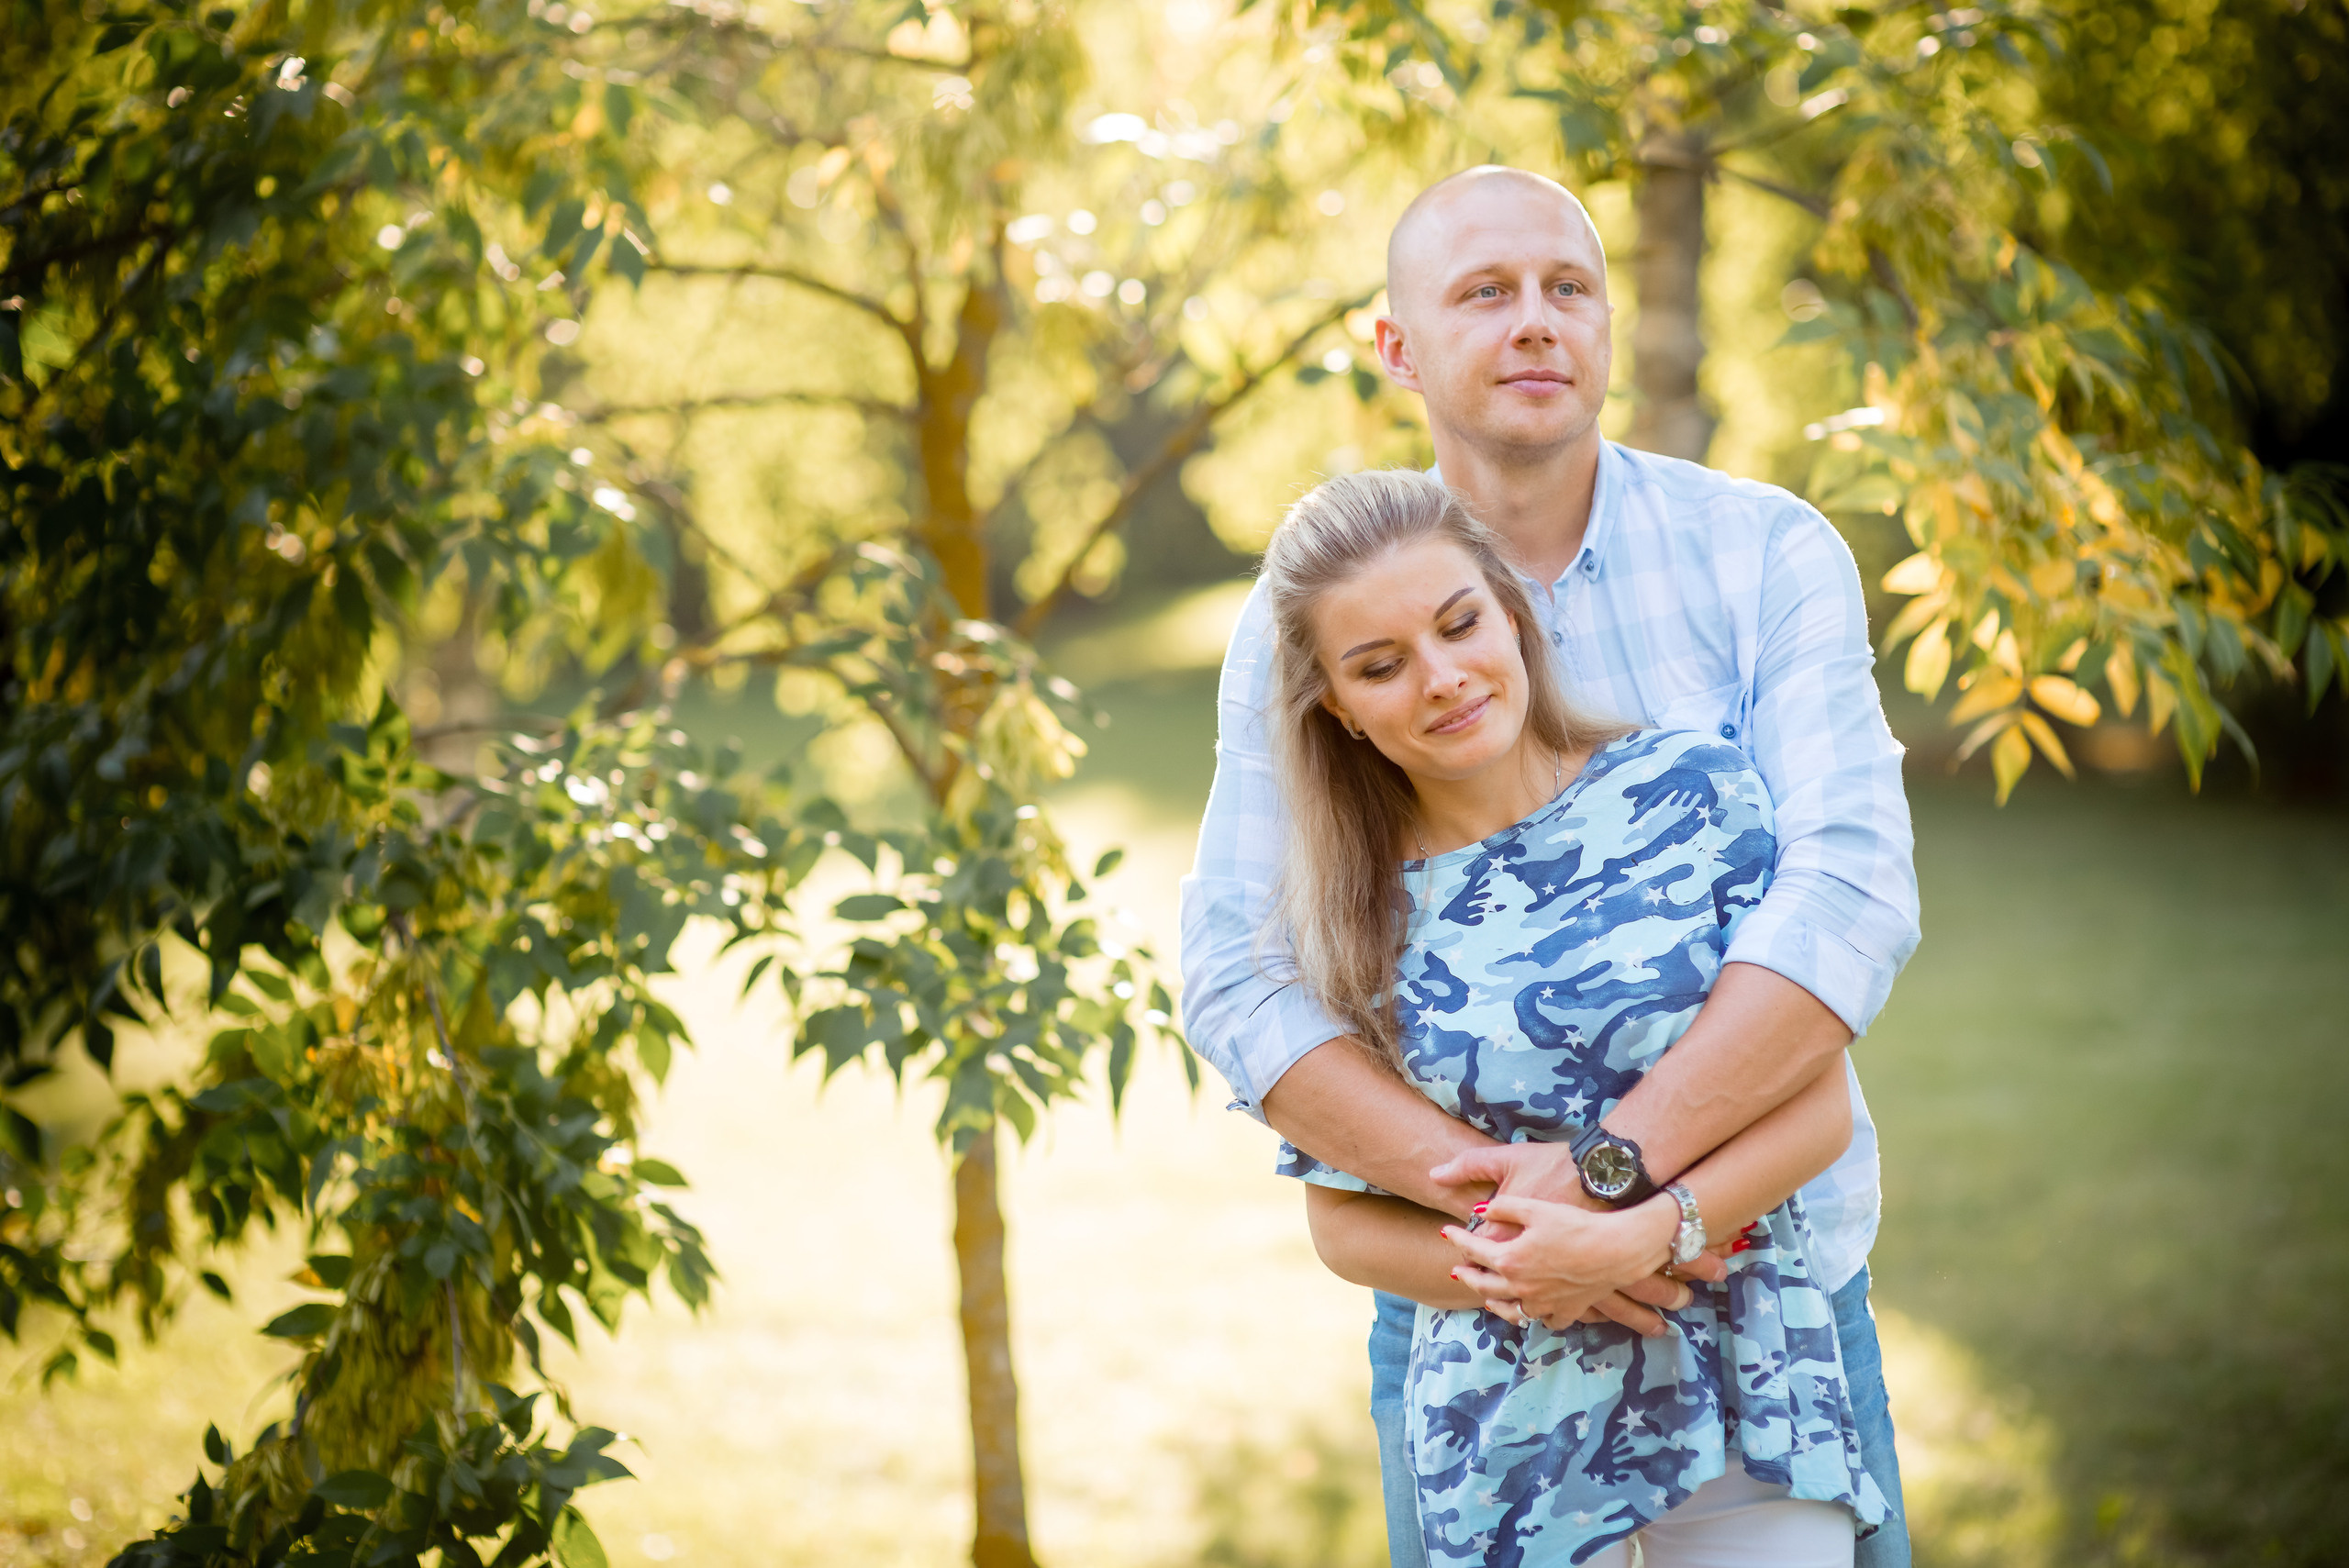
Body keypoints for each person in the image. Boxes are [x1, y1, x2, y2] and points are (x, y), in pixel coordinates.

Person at [1177, 165, 1920, 1566]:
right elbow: (1240, 972)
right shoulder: (1312, 616)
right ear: (1396, 348)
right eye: (1485, 293)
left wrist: (1622, 1191)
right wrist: (1519, 1222)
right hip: (1478, 1329)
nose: (1536, 322)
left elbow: (1847, 903)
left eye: (1567, 288)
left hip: (1772, 1300)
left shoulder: (1760, 553)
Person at [1258, 467, 1886, 1564]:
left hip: (1745, 1391)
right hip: (1505, 1449)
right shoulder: (1346, 916)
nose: (1442, 677)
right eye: (1380, 665)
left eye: (1459, 624)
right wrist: (1542, 1265)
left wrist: (1645, 1230)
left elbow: (1816, 1099)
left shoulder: (1693, 790)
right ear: (1339, 712)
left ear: (1511, 608)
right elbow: (1342, 1222)